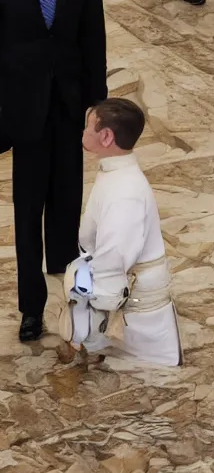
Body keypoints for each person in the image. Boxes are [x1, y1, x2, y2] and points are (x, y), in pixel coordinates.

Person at [0, 0, 107, 343]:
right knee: (28, 212)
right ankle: (30, 307)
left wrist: (97, 109)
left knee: (67, 210)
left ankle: (71, 302)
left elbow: (93, 33)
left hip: (68, 106)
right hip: (23, 109)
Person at [57, 98, 181, 367]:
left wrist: (81, 321)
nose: (83, 132)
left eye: (88, 127)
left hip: (136, 309)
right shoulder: (115, 173)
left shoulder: (125, 193)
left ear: (106, 136)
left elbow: (115, 258)